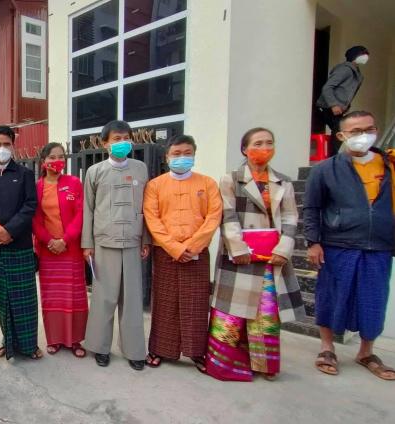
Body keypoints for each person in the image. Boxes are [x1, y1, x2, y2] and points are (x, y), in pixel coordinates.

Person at [208, 128, 306, 381]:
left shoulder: (283, 182)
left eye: (269, 143)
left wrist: (284, 248)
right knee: (230, 313)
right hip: (239, 256)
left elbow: (290, 217)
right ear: (245, 149)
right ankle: (226, 364)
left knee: (266, 311)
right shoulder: (231, 179)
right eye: (258, 143)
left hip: (271, 256)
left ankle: (264, 364)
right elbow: (227, 215)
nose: (264, 148)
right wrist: (238, 248)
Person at [306, 111, 395, 381]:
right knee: (330, 295)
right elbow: (312, 208)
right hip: (338, 243)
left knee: (374, 299)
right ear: (341, 135)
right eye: (355, 131)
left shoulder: (389, 166)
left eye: (369, 129)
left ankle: (366, 352)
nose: (363, 135)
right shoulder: (325, 170)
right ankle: (327, 347)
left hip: (379, 245)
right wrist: (313, 242)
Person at [143, 135, 222, 372]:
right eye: (176, 154)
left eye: (187, 153)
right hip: (165, 251)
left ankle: (197, 352)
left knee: (195, 303)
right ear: (167, 157)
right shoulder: (155, 185)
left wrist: (193, 246)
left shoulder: (207, 184)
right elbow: (152, 219)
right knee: (165, 302)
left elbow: (213, 217)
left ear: (194, 155)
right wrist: (175, 248)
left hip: (197, 252)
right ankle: (159, 349)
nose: (182, 158)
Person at [82, 120, 150, 370]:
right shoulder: (95, 172)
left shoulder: (141, 169)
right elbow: (88, 209)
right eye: (116, 139)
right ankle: (100, 347)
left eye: (126, 138)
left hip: (133, 241)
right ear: (105, 143)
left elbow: (147, 207)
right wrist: (87, 244)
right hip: (104, 242)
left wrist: (146, 239)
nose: (122, 143)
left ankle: (134, 351)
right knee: (104, 298)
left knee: (132, 299)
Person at [0, 125, 42, 360]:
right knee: (2, 298)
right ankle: (7, 341)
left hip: (19, 245)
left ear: (13, 145)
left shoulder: (24, 174)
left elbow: (30, 205)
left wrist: (10, 230)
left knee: (24, 299)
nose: (2, 148)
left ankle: (29, 345)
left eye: (6, 144)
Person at [31, 142, 88, 358]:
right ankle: (54, 339)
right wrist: (49, 241)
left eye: (61, 156)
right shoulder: (36, 187)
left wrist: (65, 240)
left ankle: (75, 340)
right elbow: (34, 219)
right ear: (43, 162)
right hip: (48, 252)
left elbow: (81, 215)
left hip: (71, 249)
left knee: (74, 295)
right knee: (52, 297)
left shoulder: (74, 183)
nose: (57, 160)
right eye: (52, 157)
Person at [315, 45, 369, 157]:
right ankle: (333, 158)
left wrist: (346, 106)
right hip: (327, 107)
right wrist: (334, 105)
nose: (366, 57)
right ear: (355, 56)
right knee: (341, 130)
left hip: (338, 109)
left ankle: (336, 156)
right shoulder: (345, 69)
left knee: (341, 131)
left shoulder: (357, 73)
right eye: (363, 54)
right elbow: (327, 87)